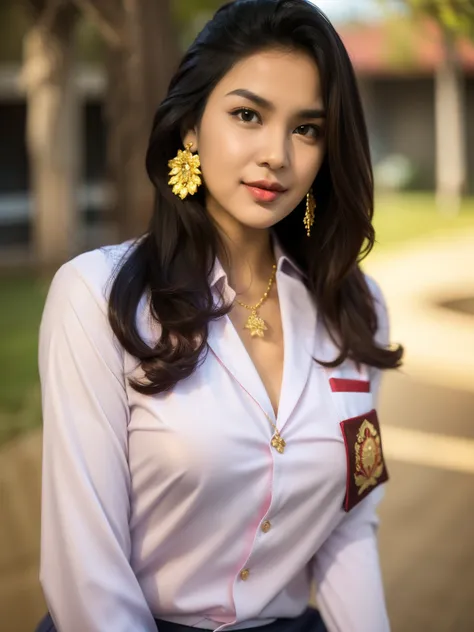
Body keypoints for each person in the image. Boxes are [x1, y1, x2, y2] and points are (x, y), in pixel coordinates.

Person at [36, 0, 403, 630]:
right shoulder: (97, 299)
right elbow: (86, 575)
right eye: (247, 115)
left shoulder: (357, 309)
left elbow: (348, 534)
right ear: (189, 128)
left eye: (307, 129)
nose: (277, 155)